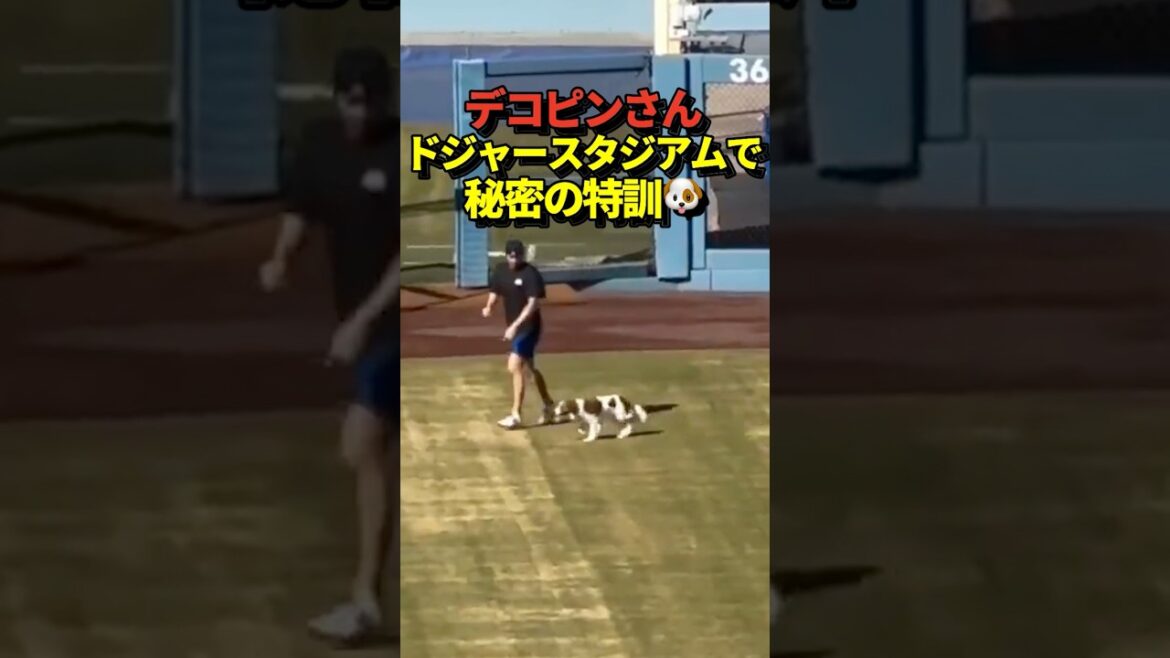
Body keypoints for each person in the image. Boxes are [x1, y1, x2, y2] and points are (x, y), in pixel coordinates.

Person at [258, 47, 398, 646]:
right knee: (367, 449)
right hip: (364, 322)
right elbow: (303, 206)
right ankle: (368, 596)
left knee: (360, 443)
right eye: (350, 100)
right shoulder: (319, 145)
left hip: (404, 317)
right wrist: (281, 255)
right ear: (337, 96)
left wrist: (362, 321)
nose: (358, 112)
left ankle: (366, 598)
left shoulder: (408, 152)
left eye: (368, 101)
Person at [482, 239, 556, 428]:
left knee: (514, 366)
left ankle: (515, 415)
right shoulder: (500, 271)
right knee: (530, 370)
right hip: (514, 327)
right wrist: (489, 306)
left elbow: (533, 304)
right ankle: (549, 405)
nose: (515, 260)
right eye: (512, 256)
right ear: (507, 256)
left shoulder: (531, 274)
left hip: (529, 327)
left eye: (518, 256)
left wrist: (514, 326)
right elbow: (495, 290)